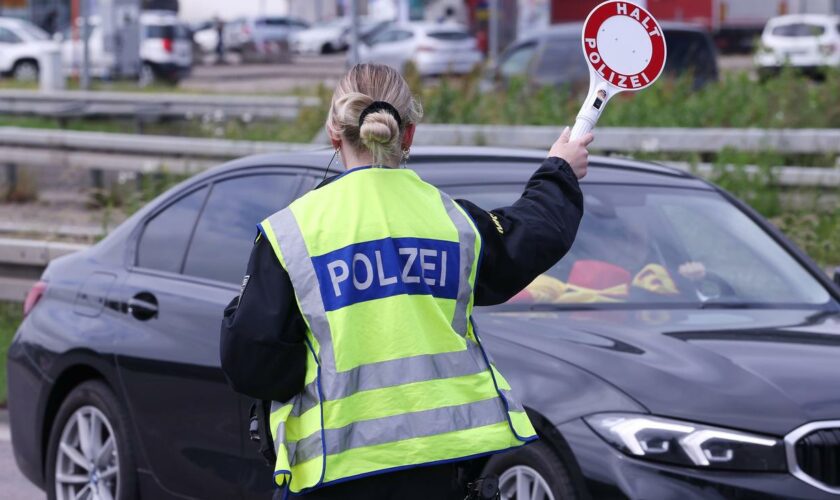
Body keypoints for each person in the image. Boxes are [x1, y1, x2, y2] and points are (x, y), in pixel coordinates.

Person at [220, 63, 592, 499]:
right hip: (440, 472)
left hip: (334, 476)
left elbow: (252, 363)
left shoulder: (292, 232)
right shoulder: (451, 221)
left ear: (333, 133)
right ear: (408, 134)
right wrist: (559, 170)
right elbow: (530, 235)